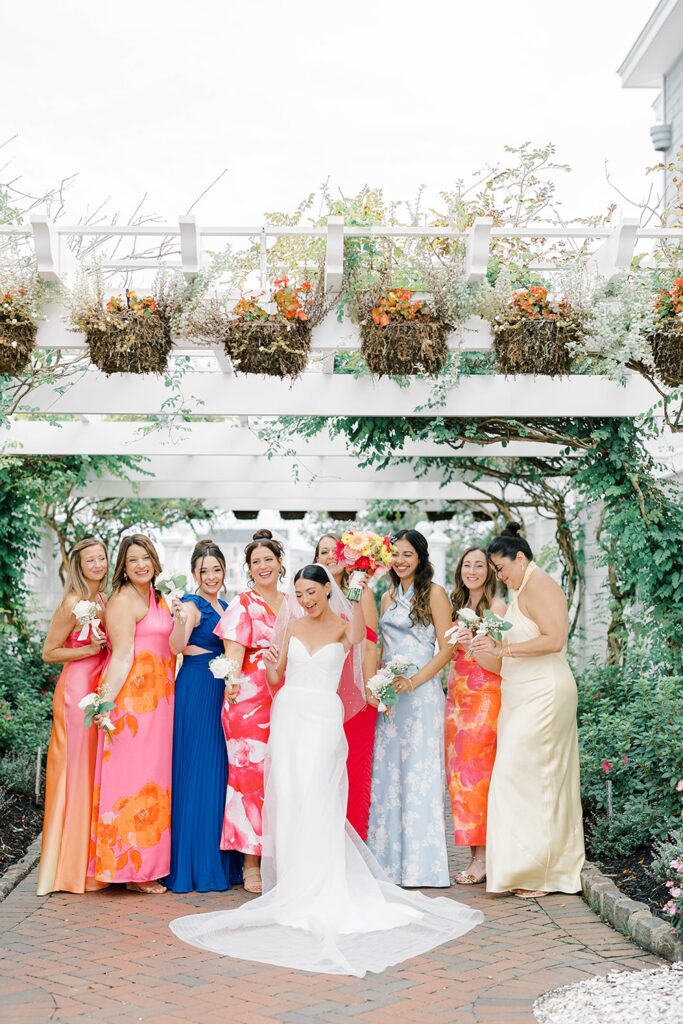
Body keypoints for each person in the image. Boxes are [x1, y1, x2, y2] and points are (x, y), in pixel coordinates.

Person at [169, 565, 483, 977]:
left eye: (312, 591)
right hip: (290, 715)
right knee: (292, 795)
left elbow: (364, 643)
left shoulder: (343, 626)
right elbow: (277, 677)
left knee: (320, 794)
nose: (306, 599)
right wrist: (268, 664)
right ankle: (295, 883)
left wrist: (357, 592)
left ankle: (324, 885)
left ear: (325, 590)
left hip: (323, 717)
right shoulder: (291, 627)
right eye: (299, 592)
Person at [472, 522, 585, 898]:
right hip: (519, 694)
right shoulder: (518, 591)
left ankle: (547, 871)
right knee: (516, 778)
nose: (498, 575)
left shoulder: (540, 585)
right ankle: (525, 866)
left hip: (546, 693)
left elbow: (554, 639)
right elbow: (505, 660)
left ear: (520, 557)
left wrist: (505, 648)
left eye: (501, 567)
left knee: (538, 778)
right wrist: (483, 648)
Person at [367, 529, 454, 887]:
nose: (400, 561)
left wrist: (414, 681)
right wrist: (380, 685)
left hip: (420, 696)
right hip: (392, 699)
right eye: (395, 555)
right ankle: (388, 865)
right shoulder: (387, 597)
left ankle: (423, 867)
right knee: (389, 778)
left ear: (421, 557)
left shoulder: (434, 594)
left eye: (407, 554)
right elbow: (380, 647)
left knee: (419, 777)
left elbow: (447, 649)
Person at [88, 535, 175, 894]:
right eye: (133, 560)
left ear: (155, 561)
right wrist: (104, 703)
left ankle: (146, 867)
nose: (141, 565)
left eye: (146, 558)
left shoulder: (158, 596)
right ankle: (129, 870)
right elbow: (122, 656)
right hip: (131, 706)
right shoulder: (123, 600)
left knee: (154, 782)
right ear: (123, 566)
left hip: (160, 703)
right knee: (132, 783)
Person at [164, 540, 243, 893]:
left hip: (220, 693)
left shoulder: (226, 605)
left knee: (217, 776)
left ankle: (217, 861)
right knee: (196, 773)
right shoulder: (193, 605)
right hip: (196, 688)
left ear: (224, 571)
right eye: (204, 571)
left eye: (216, 569)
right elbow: (176, 647)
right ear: (195, 574)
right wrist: (180, 620)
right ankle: (192, 865)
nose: (211, 576)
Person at [214, 529, 285, 894]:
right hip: (249, 702)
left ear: (280, 563)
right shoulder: (243, 604)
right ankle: (250, 863)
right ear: (249, 568)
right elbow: (232, 662)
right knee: (250, 782)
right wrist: (232, 690)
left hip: (287, 699)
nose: (262, 567)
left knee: (282, 778)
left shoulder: (295, 602)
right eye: (255, 562)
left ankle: (281, 857)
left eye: (268, 560)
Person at [37, 538, 109, 896]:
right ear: (78, 566)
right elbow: (49, 652)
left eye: (101, 558)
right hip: (77, 689)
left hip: (101, 688)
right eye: (90, 560)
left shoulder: (105, 600)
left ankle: (91, 862)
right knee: (75, 771)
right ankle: (67, 869)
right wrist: (87, 652)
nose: (97, 564)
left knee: (94, 771)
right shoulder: (71, 603)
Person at [445, 548, 506, 886]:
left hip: (484, 699)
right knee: (458, 778)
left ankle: (484, 857)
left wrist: (474, 644)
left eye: (479, 565)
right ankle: (474, 853)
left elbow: (498, 664)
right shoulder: (456, 606)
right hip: (455, 701)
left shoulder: (496, 609)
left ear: (490, 571)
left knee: (478, 776)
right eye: (467, 564)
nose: (472, 570)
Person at [314, 532, 379, 839]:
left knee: (355, 768)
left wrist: (368, 688)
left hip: (356, 691)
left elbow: (369, 642)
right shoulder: (309, 596)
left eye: (334, 550)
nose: (330, 556)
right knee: (322, 768)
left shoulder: (360, 589)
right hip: (321, 693)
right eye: (323, 551)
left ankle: (355, 844)